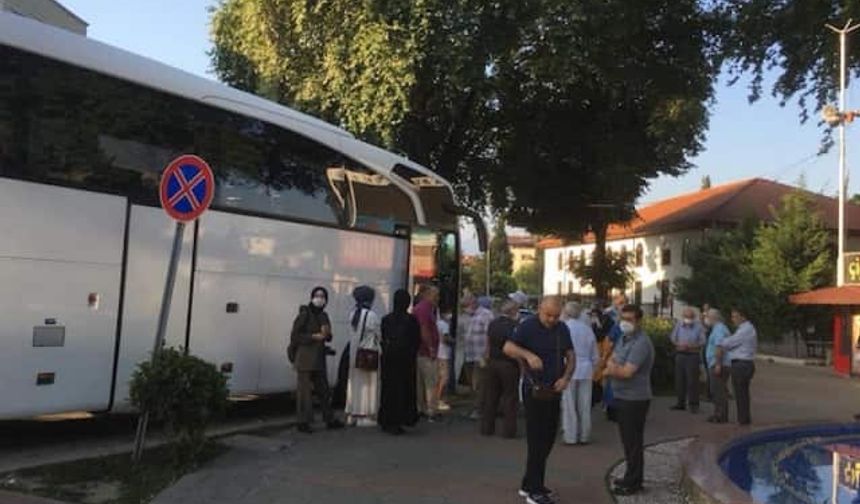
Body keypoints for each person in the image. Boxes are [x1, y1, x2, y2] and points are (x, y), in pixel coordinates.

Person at [504, 296, 574, 504]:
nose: (552, 319)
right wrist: (528, 355)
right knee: (537, 439)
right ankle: (535, 489)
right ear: (539, 310)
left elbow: (571, 356)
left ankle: (530, 483)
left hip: (554, 388)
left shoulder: (562, 329)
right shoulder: (528, 327)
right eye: (548, 315)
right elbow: (508, 348)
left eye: (556, 315)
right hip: (534, 389)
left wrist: (566, 377)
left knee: (549, 437)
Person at [604, 305, 654, 496]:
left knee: (633, 442)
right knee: (628, 441)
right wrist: (613, 367)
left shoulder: (641, 343)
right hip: (622, 396)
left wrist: (611, 370)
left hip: (635, 398)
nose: (625, 323)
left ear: (639, 321)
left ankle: (634, 482)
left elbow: (627, 371)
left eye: (630, 319)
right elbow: (612, 359)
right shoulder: (624, 338)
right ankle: (630, 476)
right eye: (622, 318)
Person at [289, 287, 343, 434]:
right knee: (304, 393)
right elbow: (295, 336)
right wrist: (313, 337)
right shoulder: (305, 314)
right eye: (317, 296)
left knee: (324, 391)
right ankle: (303, 422)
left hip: (319, 359)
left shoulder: (324, 315)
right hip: (305, 358)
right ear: (312, 297)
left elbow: (327, 336)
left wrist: (327, 334)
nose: (320, 299)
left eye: (323, 296)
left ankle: (329, 419)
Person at [379, 289, 421, 435]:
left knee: (388, 390)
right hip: (405, 360)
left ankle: (385, 419)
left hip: (388, 359)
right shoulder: (411, 320)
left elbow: (383, 338)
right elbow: (416, 341)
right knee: (402, 390)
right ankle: (399, 420)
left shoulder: (386, 319)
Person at [481, 299, 521, 438]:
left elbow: (487, 342)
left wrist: (487, 357)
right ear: (513, 311)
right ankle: (509, 431)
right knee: (510, 397)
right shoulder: (514, 326)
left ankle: (487, 428)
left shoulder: (493, 324)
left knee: (491, 396)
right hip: (508, 364)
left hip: (493, 362)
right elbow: (515, 346)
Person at [561, 302, 599, 445]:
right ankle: (584, 435)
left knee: (569, 404)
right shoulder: (587, 329)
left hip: (568, 368)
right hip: (586, 368)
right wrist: (594, 366)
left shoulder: (564, 328)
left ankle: (570, 436)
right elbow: (595, 353)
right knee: (584, 403)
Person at [345, 285, 382, 427]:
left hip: (354, 354)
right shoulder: (371, 315)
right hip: (368, 354)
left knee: (354, 383)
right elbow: (378, 335)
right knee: (369, 385)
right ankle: (366, 415)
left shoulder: (353, 313)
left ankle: (352, 413)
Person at [716, 308, 757, 425]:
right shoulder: (743, 329)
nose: (732, 319)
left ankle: (743, 419)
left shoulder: (745, 330)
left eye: (735, 316)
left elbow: (729, 342)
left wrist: (721, 342)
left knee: (741, 393)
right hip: (742, 364)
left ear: (743, 317)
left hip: (742, 364)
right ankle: (743, 418)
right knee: (741, 393)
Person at [669, 307, 706, 413]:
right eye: (686, 317)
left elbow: (703, 341)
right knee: (679, 380)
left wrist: (692, 346)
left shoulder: (698, 327)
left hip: (692, 355)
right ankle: (680, 403)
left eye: (690, 317)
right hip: (680, 354)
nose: (688, 319)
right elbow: (672, 337)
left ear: (694, 317)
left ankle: (694, 404)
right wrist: (678, 344)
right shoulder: (679, 325)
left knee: (692, 381)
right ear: (683, 317)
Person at [414, 284, 441, 420]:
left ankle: (422, 408)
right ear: (427, 295)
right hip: (426, 351)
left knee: (421, 383)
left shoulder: (423, 308)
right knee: (431, 382)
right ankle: (431, 410)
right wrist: (431, 348)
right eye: (435, 295)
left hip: (420, 351)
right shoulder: (425, 309)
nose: (437, 298)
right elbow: (424, 329)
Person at [464, 296, 493, 419]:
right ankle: (474, 407)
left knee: (480, 383)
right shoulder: (472, 315)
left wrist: (487, 353)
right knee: (472, 383)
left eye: (466, 305)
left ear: (473, 303)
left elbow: (490, 335)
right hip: (470, 354)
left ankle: (479, 409)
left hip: (480, 355)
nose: (465, 309)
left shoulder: (486, 315)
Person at [704, 308, 732, 424]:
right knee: (717, 390)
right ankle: (717, 414)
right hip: (717, 363)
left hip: (719, 364)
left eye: (707, 317)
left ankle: (721, 416)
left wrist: (718, 364)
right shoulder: (717, 328)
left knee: (718, 390)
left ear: (713, 317)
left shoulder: (719, 329)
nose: (706, 319)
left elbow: (719, 347)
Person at [436, 312, 454, 412]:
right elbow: (445, 338)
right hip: (443, 353)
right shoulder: (445, 325)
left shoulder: (437, 323)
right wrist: (454, 341)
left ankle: (437, 399)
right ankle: (439, 400)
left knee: (439, 377)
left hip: (438, 353)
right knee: (444, 378)